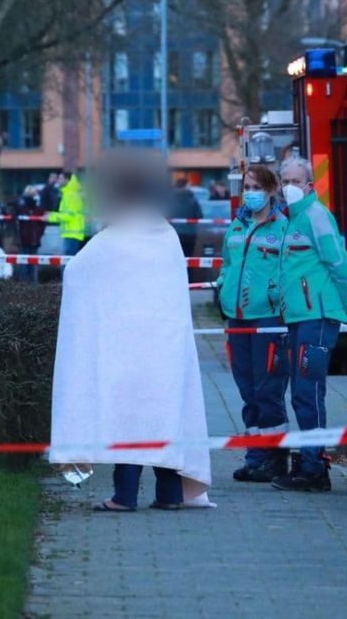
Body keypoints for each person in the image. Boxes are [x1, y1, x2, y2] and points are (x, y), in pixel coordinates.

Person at [48, 150, 212, 511]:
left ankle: (124, 496)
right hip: (165, 348)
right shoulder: (166, 236)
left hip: (127, 349)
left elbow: (75, 274)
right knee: (164, 417)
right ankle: (169, 495)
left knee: (130, 418)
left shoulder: (114, 239)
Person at [272, 156, 347, 492]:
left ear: (309, 185)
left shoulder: (315, 216)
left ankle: (314, 468)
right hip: (299, 317)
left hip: (318, 316)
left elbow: (339, 263)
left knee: (308, 393)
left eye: (296, 181)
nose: (289, 187)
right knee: (303, 393)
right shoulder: (291, 219)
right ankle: (309, 462)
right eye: (285, 181)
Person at [218, 165, 290, 483]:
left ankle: (276, 459)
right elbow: (227, 263)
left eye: (257, 186)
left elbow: (290, 271)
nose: (251, 192)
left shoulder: (283, 228)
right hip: (237, 319)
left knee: (268, 391)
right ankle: (255, 456)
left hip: (268, 318)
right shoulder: (236, 227)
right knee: (247, 391)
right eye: (247, 186)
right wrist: (221, 286)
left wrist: (278, 298)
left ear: (272, 190)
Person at [46, 171, 87, 256]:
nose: (58, 181)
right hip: (71, 234)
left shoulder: (71, 195)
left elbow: (69, 216)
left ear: (67, 180)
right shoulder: (68, 194)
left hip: (72, 234)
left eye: (61, 178)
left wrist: (51, 217)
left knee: (67, 263)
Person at [16, 186, 46, 282]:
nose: (35, 196)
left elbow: (42, 223)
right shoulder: (21, 207)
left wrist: (39, 233)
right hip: (24, 239)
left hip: (35, 240)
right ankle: (24, 286)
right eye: (33, 194)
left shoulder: (38, 208)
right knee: (24, 265)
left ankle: (33, 287)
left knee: (33, 265)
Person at [170, 178, 204, 257]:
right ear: (185, 186)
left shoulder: (169, 199)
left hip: (173, 233)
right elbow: (199, 215)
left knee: (175, 258)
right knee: (189, 258)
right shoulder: (192, 199)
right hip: (189, 234)